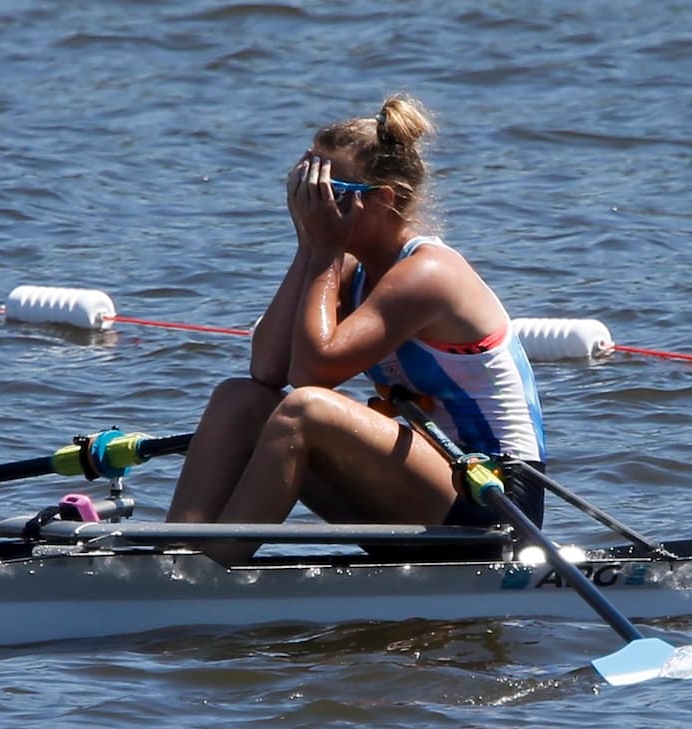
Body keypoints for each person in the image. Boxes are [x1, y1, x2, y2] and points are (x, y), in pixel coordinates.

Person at [167, 93, 546, 550]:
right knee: (239, 399)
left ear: (383, 200)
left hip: (495, 498)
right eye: (307, 187)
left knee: (305, 409)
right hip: (428, 485)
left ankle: (206, 573)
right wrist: (310, 248)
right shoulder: (349, 268)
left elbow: (310, 377)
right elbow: (267, 369)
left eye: (332, 193)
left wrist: (324, 251)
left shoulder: (428, 275)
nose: (315, 204)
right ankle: (173, 555)